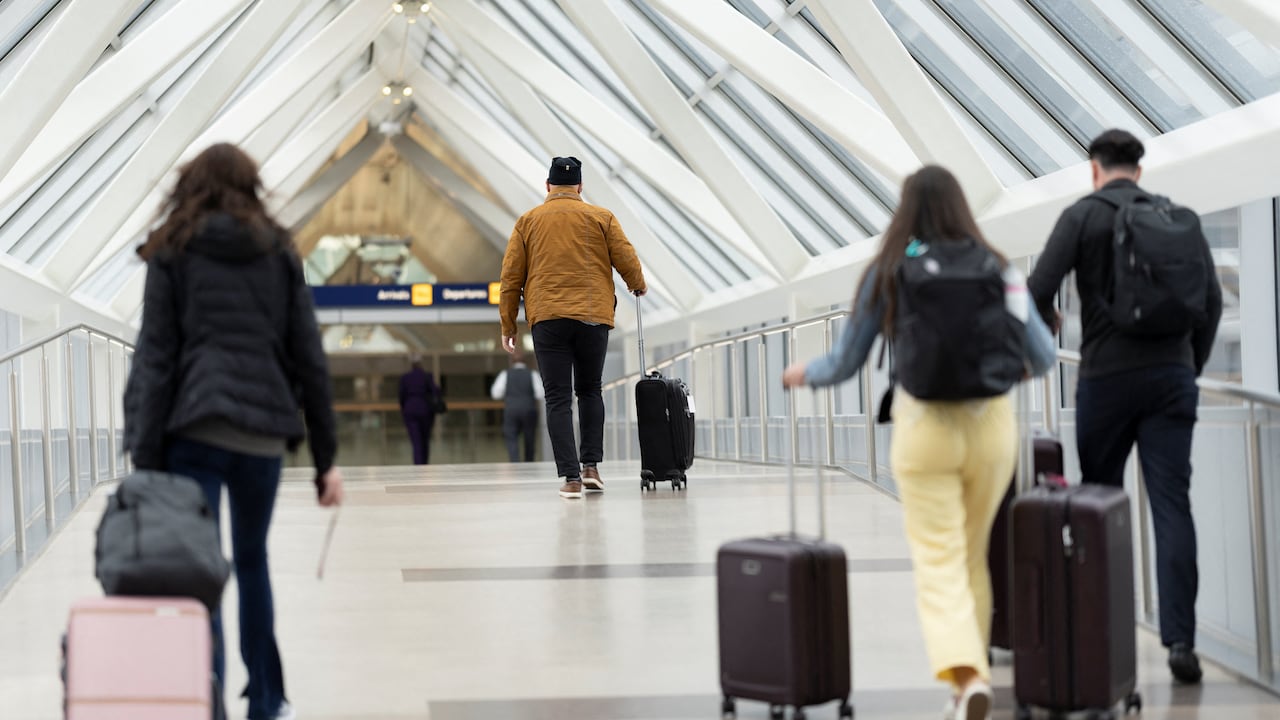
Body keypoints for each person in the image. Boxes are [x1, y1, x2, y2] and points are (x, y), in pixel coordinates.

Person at [782, 165, 1056, 720]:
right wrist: (1005, 376)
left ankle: (966, 675)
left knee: (939, 558)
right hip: (990, 427)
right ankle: (969, 673)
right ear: (960, 206)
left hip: (924, 428)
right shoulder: (998, 267)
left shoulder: (888, 271)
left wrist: (802, 373)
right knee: (973, 553)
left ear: (905, 211)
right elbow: (1044, 356)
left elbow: (843, 364)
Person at [123, 142, 344, 720]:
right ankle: (268, 702)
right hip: (262, 435)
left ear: (189, 185)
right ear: (250, 187)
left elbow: (155, 357)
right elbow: (308, 356)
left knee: (201, 567)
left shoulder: (172, 248)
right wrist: (326, 460)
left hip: (194, 430)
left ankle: (207, 697)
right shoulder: (277, 250)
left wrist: (145, 460)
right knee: (251, 561)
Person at [1027, 129, 1222, 684]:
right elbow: (1209, 301)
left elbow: (1037, 289)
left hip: (1106, 379)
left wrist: (1050, 323)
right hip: (1172, 378)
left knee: (1100, 504)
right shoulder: (1175, 216)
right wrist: (1188, 366)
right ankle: (1181, 642)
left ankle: (1099, 631)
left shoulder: (1082, 216)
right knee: (1172, 507)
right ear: (1138, 168)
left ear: (1095, 168)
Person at [499, 156, 646, 498]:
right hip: (593, 316)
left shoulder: (528, 221)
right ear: (580, 187)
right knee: (590, 390)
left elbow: (510, 278)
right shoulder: (601, 217)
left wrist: (508, 323)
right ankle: (591, 466)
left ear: (548, 186)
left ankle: (570, 477)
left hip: (548, 318)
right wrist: (636, 283)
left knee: (557, 398)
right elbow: (626, 257)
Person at [490, 350, 544, 462]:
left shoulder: (505, 374)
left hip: (511, 410)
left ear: (511, 361)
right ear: (525, 361)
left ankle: (515, 462)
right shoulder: (532, 374)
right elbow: (540, 393)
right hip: (529, 409)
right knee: (529, 438)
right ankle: (529, 463)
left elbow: (496, 394)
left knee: (511, 438)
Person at [399, 356, 442, 465]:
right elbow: (436, 391)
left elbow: (401, 396)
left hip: (410, 410)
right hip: (425, 410)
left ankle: (418, 464)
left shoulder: (406, 378)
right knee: (425, 439)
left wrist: (404, 408)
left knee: (416, 440)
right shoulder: (427, 376)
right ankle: (424, 463)